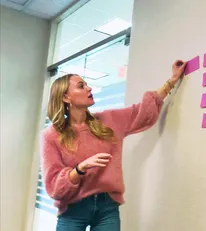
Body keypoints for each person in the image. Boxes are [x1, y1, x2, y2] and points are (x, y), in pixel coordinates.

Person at [41, 60, 186, 231]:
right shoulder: (51, 136)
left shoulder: (109, 120)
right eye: (81, 86)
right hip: (73, 210)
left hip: (107, 208)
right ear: (66, 97)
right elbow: (55, 188)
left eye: (87, 85)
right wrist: (79, 168)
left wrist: (173, 79)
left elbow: (143, 111)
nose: (89, 88)